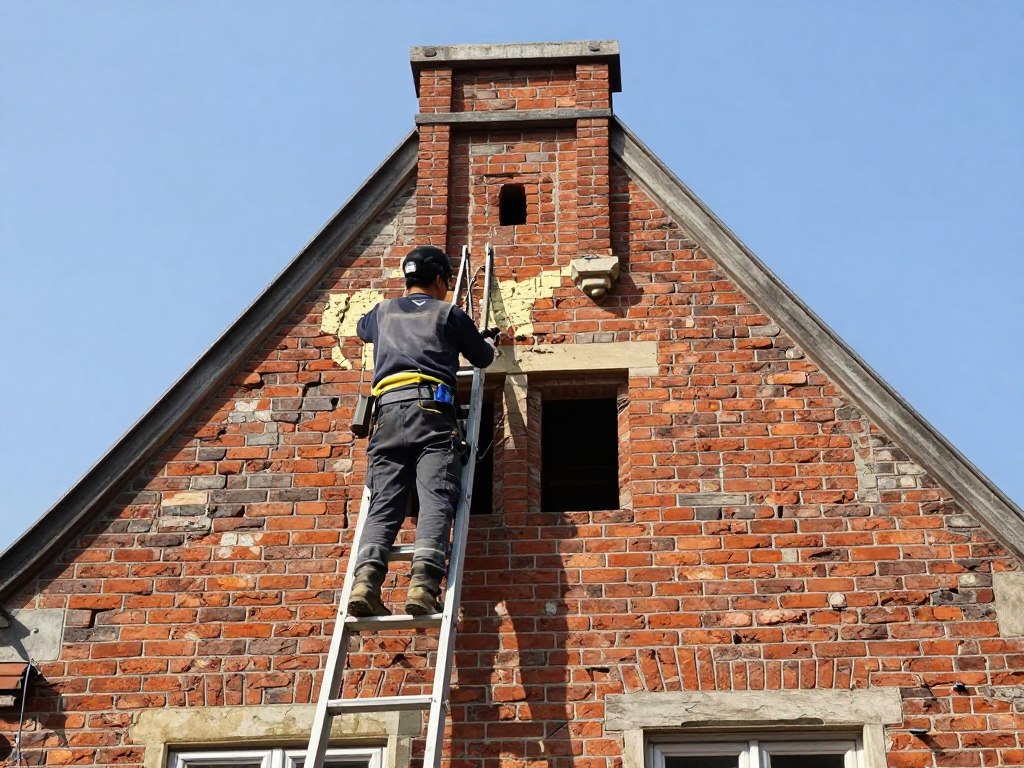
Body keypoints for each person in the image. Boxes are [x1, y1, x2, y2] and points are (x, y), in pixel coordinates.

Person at [349, 245, 498, 617]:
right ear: (438, 279)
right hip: (431, 412)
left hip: (384, 415)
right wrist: (488, 340)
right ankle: (423, 585)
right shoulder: (448, 313)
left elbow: (361, 330)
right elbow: (481, 358)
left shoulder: (381, 313)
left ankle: (366, 581)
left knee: (384, 504)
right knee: (435, 497)